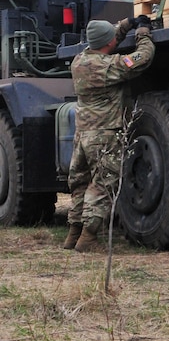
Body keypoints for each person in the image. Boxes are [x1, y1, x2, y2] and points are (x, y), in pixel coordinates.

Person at [63, 17, 156, 252]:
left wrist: (127, 24)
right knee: (102, 183)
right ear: (109, 43)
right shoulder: (109, 66)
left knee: (80, 183)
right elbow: (142, 58)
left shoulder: (80, 60)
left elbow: (105, 37)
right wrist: (143, 33)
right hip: (104, 133)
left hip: (83, 134)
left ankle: (73, 233)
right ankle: (88, 238)